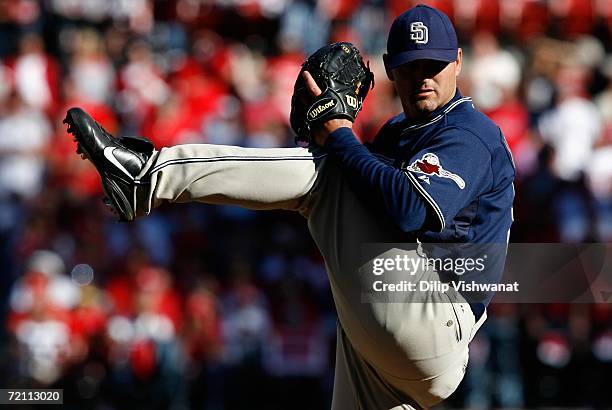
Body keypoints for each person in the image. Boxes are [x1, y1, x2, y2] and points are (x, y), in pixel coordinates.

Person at [65, 4, 514, 409]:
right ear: (390, 70)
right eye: (410, 66)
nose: (423, 77)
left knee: (333, 173)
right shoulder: (399, 132)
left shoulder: (470, 134)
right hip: (396, 337)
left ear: (458, 62)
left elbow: (410, 209)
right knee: (337, 171)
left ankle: (146, 177)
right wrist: (317, 138)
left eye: (434, 64)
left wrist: (337, 134)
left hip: (434, 314)